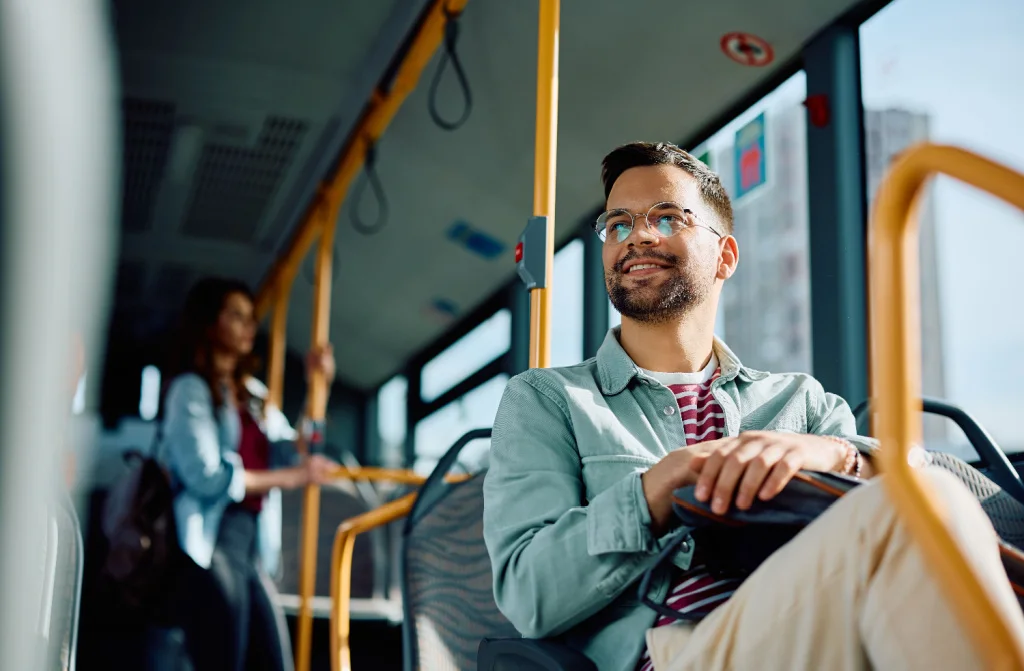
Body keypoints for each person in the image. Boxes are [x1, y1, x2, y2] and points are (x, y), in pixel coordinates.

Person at [482, 142, 1024, 671]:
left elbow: (905, 481)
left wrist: (834, 454)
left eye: (667, 218)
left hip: (823, 623)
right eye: (618, 224)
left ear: (725, 256)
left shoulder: (800, 402)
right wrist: (662, 485)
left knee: (923, 502)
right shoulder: (547, 400)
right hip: (669, 650)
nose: (638, 235)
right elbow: (530, 596)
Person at [158, 277, 337, 671]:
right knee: (224, 658)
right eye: (236, 316)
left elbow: (294, 449)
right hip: (213, 539)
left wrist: (316, 386)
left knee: (273, 659)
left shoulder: (252, 395)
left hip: (252, 543)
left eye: (250, 318)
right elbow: (206, 476)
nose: (248, 327)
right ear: (209, 324)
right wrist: (292, 478)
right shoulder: (189, 391)